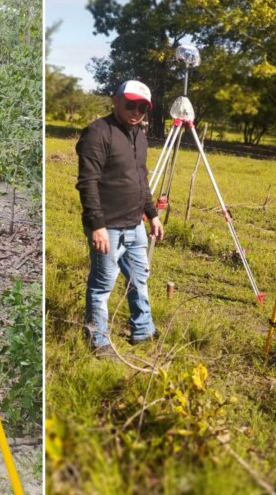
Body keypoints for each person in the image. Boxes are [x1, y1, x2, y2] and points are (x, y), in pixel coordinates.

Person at [76, 79, 164, 357]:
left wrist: (152, 215)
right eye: (130, 104)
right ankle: (98, 340)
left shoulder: (139, 134)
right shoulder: (97, 133)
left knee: (140, 278)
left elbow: (141, 179)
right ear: (115, 100)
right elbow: (87, 183)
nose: (136, 111)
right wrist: (97, 225)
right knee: (102, 285)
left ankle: (143, 329)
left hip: (135, 224)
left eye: (142, 107)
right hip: (108, 228)